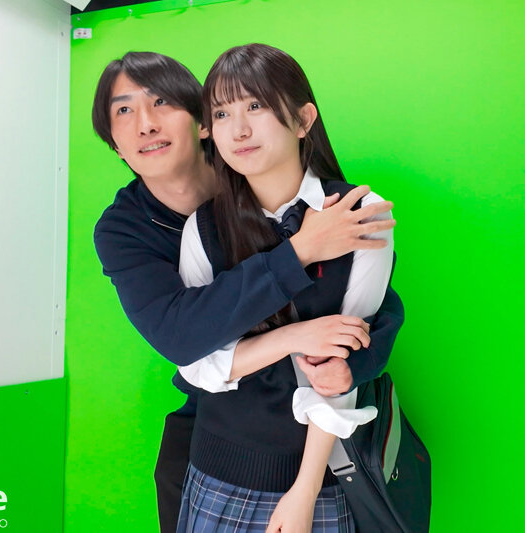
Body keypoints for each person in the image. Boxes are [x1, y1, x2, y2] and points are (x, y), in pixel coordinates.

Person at [91, 52, 404, 531]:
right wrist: (301, 258)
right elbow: (184, 344)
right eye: (124, 110)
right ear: (114, 144)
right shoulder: (139, 229)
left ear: (198, 124)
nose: (146, 124)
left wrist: (367, 345)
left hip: (315, 448)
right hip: (217, 426)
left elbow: (360, 323)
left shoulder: (341, 207)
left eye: (160, 102)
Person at [174, 43, 396, 533]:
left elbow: (340, 365)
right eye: (222, 113)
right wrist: (293, 338)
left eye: (255, 105)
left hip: (320, 477)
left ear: (303, 120)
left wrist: (305, 490)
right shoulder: (203, 228)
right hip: (217, 468)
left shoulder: (360, 214)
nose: (238, 129)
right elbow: (197, 364)